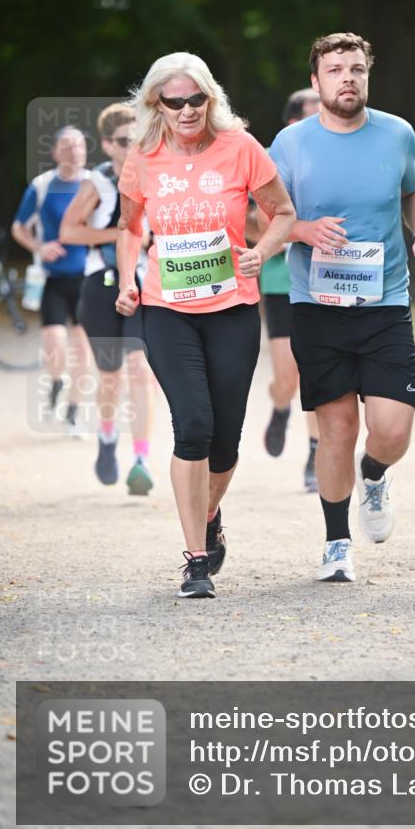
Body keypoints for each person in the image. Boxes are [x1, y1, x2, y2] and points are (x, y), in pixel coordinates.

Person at [115, 52, 295, 599]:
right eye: (176, 101)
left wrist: (259, 252)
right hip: (167, 310)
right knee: (192, 426)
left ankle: (210, 512)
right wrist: (128, 278)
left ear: (210, 99)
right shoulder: (142, 157)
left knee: (224, 440)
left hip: (233, 309)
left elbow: (282, 213)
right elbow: (128, 227)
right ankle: (195, 559)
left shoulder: (241, 149)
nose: (188, 109)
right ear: (157, 105)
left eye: (197, 98)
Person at [269, 32, 415, 583]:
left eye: (357, 68)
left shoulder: (397, 134)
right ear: (316, 81)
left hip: (385, 302)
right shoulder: (291, 143)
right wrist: (302, 229)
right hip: (317, 305)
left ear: (368, 75)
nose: (348, 77)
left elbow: (414, 190)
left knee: (391, 431)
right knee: (337, 426)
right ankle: (336, 542)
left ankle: (375, 475)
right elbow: (262, 220)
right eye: (336, 69)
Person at [60, 103, 156, 495]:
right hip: (100, 283)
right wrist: (122, 233)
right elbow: (68, 231)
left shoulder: (154, 176)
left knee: (139, 368)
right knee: (111, 377)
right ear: (107, 145)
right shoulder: (97, 184)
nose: (132, 146)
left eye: (137, 138)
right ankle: (106, 436)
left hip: (143, 283)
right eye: (123, 141)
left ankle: (141, 460)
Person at [259, 88, 321, 491]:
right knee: (288, 374)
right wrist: (276, 236)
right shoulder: (268, 158)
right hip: (281, 279)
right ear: (292, 123)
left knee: (316, 369)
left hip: (328, 276)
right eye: (313, 113)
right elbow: (250, 216)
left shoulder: (343, 154)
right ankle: (281, 405)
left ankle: (316, 452)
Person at [11, 126, 92, 433]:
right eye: (68, 147)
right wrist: (39, 247)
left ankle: (73, 411)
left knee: (83, 348)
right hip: (52, 280)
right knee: (55, 345)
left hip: (86, 278)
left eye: (80, 146)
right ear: (56, 152)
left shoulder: (93, 185)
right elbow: (20, 227)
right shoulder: (42, 186)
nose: (75, 151)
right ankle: (58, 380)